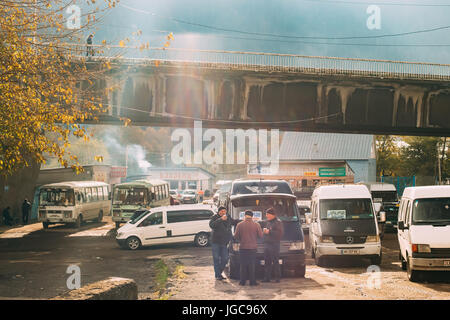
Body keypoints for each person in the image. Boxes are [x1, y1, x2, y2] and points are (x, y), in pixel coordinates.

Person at [233, 210, 263, 286]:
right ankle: (252, 282)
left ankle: (242, 282)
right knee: (252, 265)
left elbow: (236, 236)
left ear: (245, 216)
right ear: (252, 216)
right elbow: (260, 236)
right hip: (253, 248)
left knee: (243, 265)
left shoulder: (239, 225)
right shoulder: (257, 225)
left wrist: (241, 238)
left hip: (243, 247)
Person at [209, 206, 233, 280]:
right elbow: (212, 225)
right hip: (215, 242)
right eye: (221, 211)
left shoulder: (228, 218)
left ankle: (218, 272)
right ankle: (218, 275)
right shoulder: (214, 217)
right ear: (219, 212)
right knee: (216, 258)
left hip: (224, 242)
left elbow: (234, 221)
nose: (223, 212)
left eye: (224, 211)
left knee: (225, 258)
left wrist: (244, 219)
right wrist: (220, 219)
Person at [262, 207, 284, 283]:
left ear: (272, 215)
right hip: (267, 244)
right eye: (266, 214)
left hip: (274, 244)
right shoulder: (268, 222)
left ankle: (277, 278)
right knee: (267, 262)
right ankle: (267, 278)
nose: (266, 215)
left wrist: (269, 231)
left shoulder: (278, 222)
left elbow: (279, 234)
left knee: (275, 261)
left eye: (267, 214)